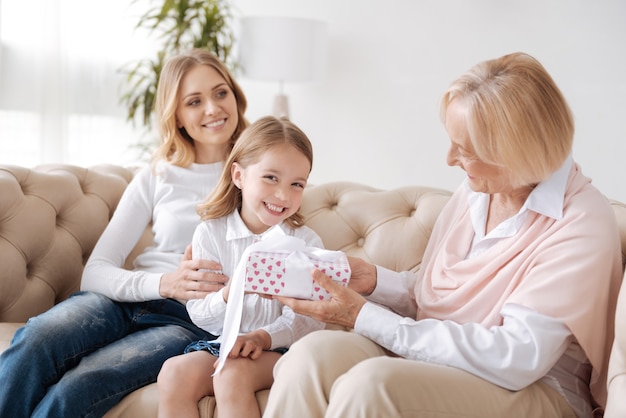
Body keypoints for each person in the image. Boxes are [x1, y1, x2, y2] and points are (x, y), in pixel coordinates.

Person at [263, 52, 623, 418]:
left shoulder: (580, 224)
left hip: (539, 387)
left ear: (514, 152)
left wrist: (364, 316)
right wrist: (372, 281)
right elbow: (439, 301)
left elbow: (517, 357)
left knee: (374, 385)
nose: (450, 159)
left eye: (464, 150)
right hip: (452, 356)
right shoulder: (478, 192)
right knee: (310, 357)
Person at [0, 48, 249, 418]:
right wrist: (165, 284)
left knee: (83, 383)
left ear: (235, 95)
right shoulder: (158, 174)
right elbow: (97, 269)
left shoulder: (259, 174)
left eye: (220, 93)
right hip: (126, 298)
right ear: (176, 116)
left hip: (189, 319)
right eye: (194, 101)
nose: (212, 109)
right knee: (37, 339)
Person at [156, 115, 325, 418]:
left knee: (231, 374)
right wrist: (229, 293)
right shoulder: (211, 233)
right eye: (271, 178)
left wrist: (261, 337)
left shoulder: (305, 242)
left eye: (296, 184)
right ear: (239, 176)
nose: (283, 194)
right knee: (173, 372)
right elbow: (199, 313)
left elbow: (309, 321)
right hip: (225, 346)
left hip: (279, 348)